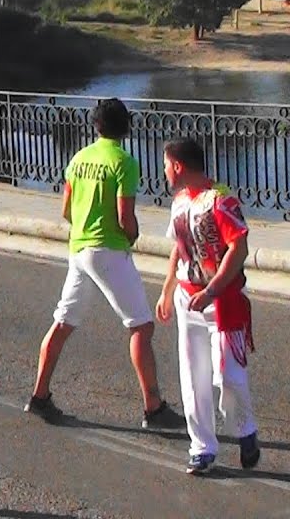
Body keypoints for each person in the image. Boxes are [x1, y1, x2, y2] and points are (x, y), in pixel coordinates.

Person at [25, 98, 186, 430]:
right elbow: (125, 216)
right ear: (125, 127)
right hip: (109, 250)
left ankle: (39, 396)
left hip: (79, 248)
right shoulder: (124, 162)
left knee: (62, 323)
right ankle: (153, 408)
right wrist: (132, 235)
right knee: (141, 327)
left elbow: (66, 209)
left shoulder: (79, 158)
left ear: (96, 126)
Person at [154, 138, 260, 475]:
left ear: (179, 166)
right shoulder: (179, 202)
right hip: (188, 300)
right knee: (193, 375)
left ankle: (245, 429)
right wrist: (167, 289)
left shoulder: (220, 200)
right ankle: (202, 448)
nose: (164, 171)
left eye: (166, 165)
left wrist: (212, 291)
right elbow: (179, 247)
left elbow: (238, 248)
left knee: (229, 375)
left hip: (223, 302)